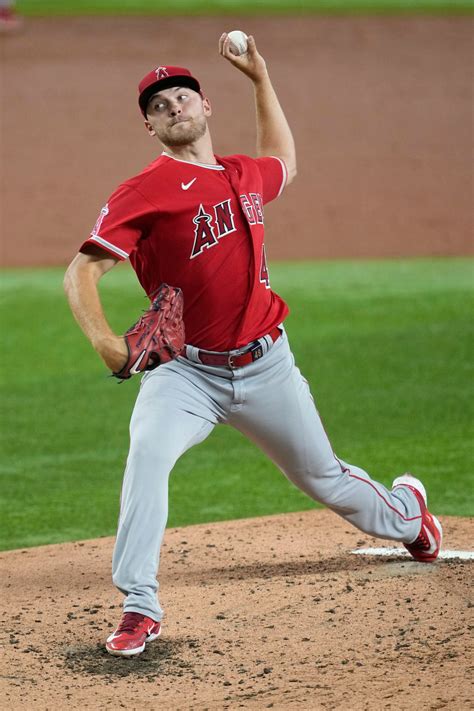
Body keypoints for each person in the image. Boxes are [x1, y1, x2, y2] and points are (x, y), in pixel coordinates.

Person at [63, 33, 442, 658]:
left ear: (206, 107)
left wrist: (260, 79)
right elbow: (80, 271)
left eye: (182, 97)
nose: (173, 107)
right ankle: (139, 605)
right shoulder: (144, 191)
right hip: (185, 374)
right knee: (147, 456)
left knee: (324, 477)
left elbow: (285, 162)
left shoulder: (242, 175)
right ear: (151, 129)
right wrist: (106, 343)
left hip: (268, 367)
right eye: (159, 107)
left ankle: (408, 515)